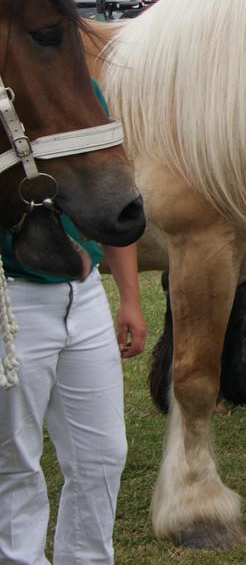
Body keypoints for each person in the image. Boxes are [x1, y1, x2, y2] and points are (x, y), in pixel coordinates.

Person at [0, 125, 144, 563]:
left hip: (84, 298)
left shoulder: (81, 94)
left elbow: (108, 200)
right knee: (14, 458)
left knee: (102, 453)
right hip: (13, 297)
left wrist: (130, 298)